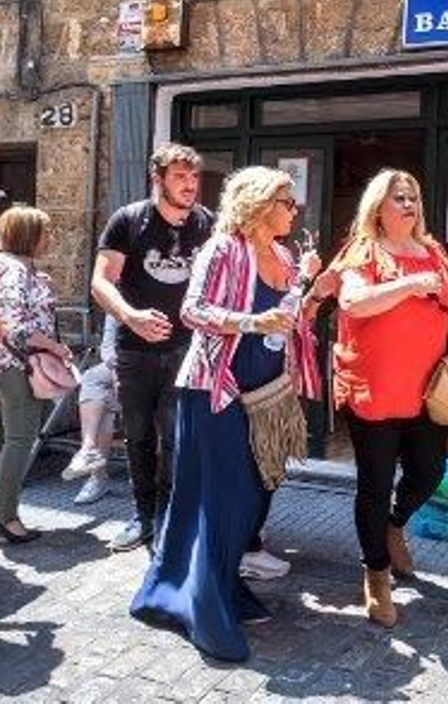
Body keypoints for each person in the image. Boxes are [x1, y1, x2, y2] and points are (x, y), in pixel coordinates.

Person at [129, 165, 331, 663]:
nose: (294, 210)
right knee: (222, 502)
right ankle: (205, 605)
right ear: (261, 205)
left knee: (248, 501)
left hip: (264, 396)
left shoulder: (284, 255)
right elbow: (192, 311)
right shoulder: (223, 249)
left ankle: (208, 587)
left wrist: (312, 293)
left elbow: (287, 323)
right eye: (286, 201)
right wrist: (249, 320)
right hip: (215, 393)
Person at [329, 169, 448, 628]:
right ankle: (377, 575)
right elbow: (354, 302)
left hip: (428, 389)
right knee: (375, 482)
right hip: (374, 388)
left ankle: (394, 523)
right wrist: (408, 284)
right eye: (398, 197)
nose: (408, 203)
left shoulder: (434, 252)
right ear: (377, 208)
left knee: (430, 469)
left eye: (413, 197)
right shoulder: (363, 251)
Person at [91, 143, 212, 553]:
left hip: (187, 349)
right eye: (180, 176)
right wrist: (130, 316)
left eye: (194, 177)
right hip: (135, 350)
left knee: (177, 437)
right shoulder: (128, 220)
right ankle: (142, 517)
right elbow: (101, 281)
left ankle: (169, 516)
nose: (190, 185)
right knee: (139, 437)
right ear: (157, 178)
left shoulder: (205, 223)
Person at [0, 205, 72, 545]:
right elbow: (16, 326)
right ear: (30, 236)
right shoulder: (16, 271)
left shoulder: (0, 265)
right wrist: (55, 348)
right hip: (16, 364)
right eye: (45, 232)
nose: (49, 238)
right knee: (19, 439)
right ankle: (5, 517)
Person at [62, 313, 119, 505]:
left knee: (107, 401)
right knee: (93, 380)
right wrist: (117, 369)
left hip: (160, 368)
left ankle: (98, 475)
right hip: (120, 367)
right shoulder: (117, 299)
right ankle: (89, 450)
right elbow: (108, 346)